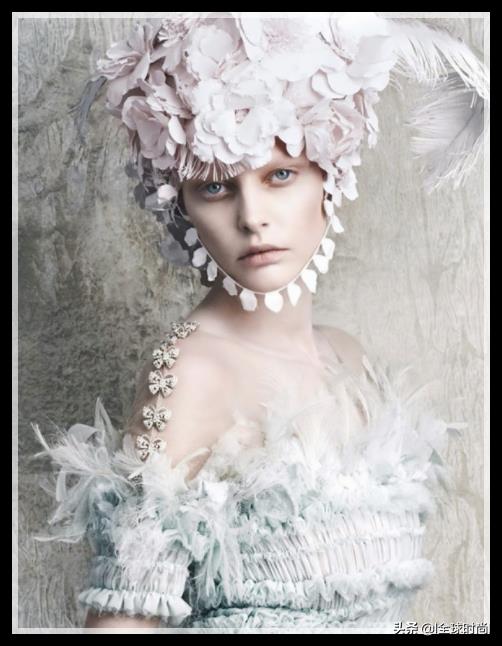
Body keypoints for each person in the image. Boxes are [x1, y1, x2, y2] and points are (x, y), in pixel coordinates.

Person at [30, 13, 488, 633]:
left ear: (331, 175)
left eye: (280, 175)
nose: (252, 217)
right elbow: (123, 623)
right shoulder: (192, 372)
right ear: (181, 202)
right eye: (216, 187)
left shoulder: (349, 358)